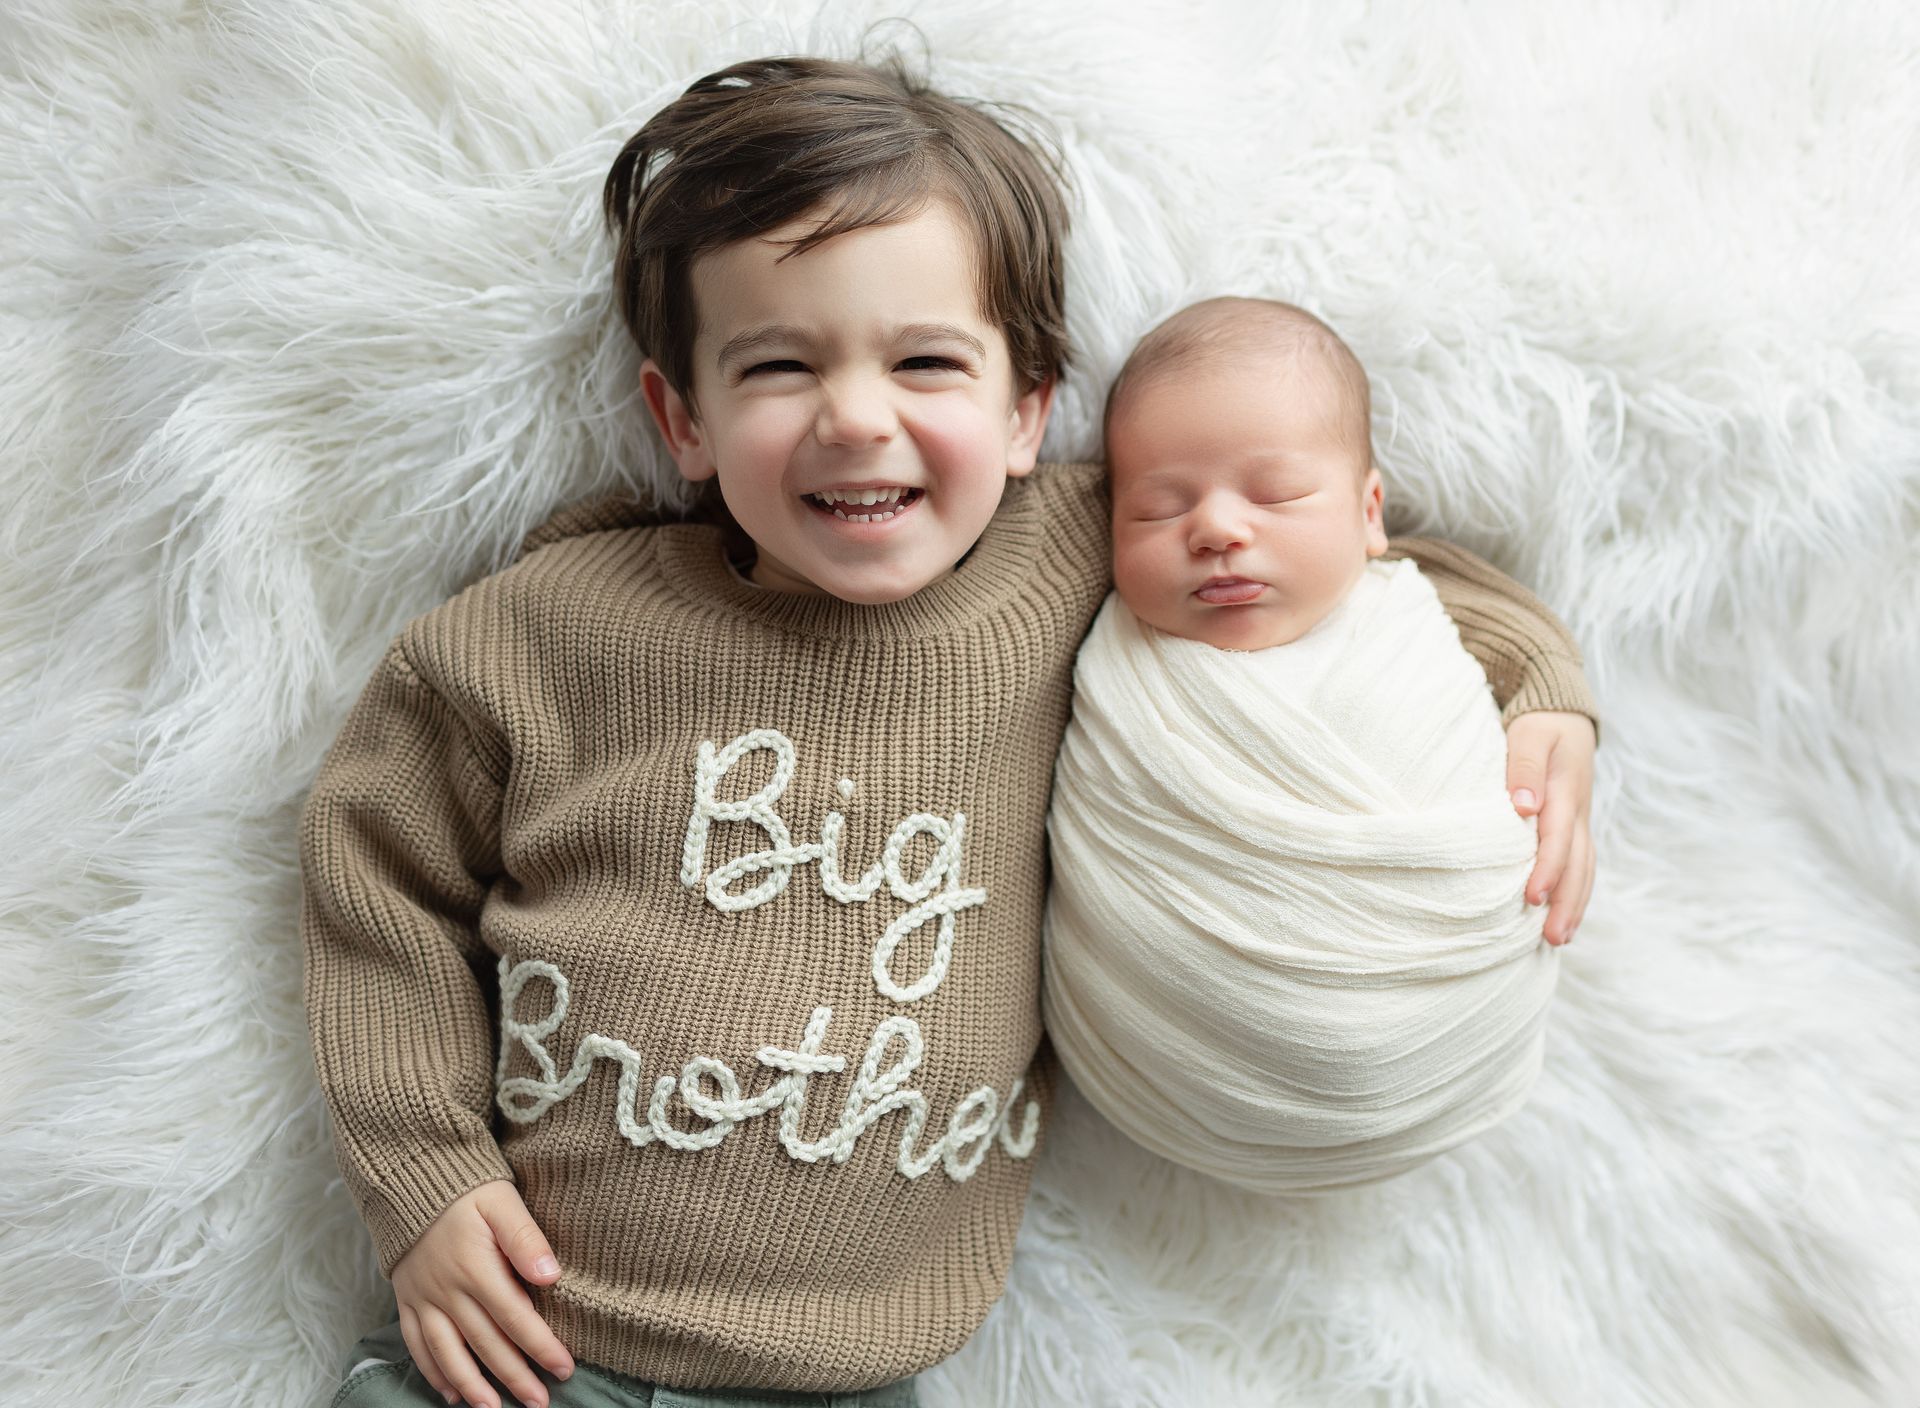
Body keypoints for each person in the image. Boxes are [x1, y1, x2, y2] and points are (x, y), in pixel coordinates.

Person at [300, 56, 1599, 1408]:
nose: (857, 417)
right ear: (682, 418)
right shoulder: (550, 628)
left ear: (1028, 409)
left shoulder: (1073, 560)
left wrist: (1540, 684)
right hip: (528, 1353)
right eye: (780, 366)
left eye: (925, 362)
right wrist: (423, 1175)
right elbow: (374, 873)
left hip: (859, 1375)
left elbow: (1336, 561)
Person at [1042, 296, 1595, 1196]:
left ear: (1371, 513)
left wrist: (1558, 702)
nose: (1216, 530)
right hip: (1171, 1069)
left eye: (1275, 494)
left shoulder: (1408, 612)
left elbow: (1502, 615)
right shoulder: (1110, 643)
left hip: (1457, 1027)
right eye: (1156, 509)